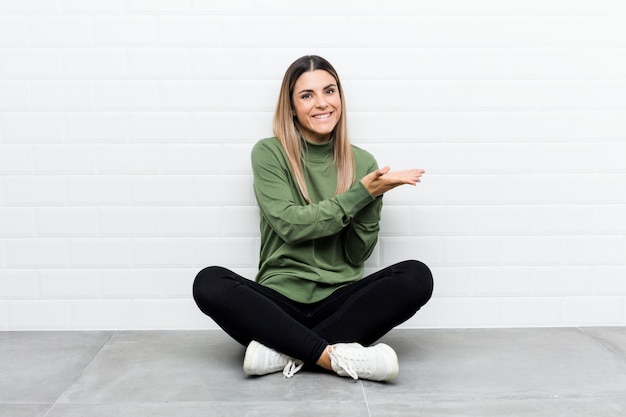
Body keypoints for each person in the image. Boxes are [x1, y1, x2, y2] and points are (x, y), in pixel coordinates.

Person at [193, 55, 433, 382]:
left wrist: (374, 197)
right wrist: (360, 194)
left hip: (339, 304)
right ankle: (332, 356)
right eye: (307, 95)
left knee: (417, 276)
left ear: (340, 98)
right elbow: (291, 225)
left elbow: (355, 254)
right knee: (209, 282)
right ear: (291, 107)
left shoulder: (363, 162)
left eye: (329, 91)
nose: (322, 103)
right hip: (278, 303)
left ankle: (282, 350)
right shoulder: (269, 153)